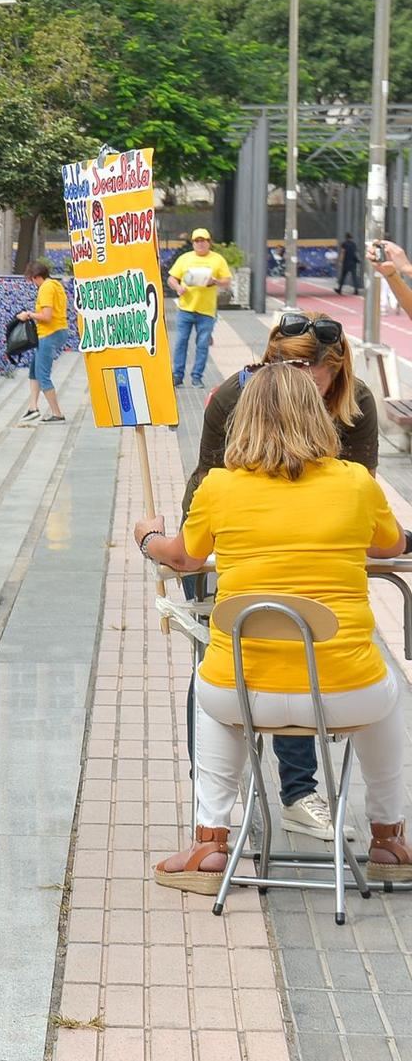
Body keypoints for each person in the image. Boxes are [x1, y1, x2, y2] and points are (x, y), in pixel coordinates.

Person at [135, 363, 412, 892]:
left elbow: (185, 559)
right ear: (318, 416)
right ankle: (388, 840)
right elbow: (392, 546)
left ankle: (210, 845)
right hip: (345, 697)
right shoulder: (355, 482)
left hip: (244, 694)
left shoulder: (218, 487)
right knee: (387, 692)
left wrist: (148, 538)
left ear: (245, 421)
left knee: (213, 696)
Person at [180, 310, 378, 843]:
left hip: (308, 550)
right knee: (225, 658)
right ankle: (214, 809)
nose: (300, 377)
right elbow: (207, 474)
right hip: (229, 542)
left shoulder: (355, 403)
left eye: (315, 368)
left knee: (297, 652)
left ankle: (297, 793)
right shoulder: (235, 395)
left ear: (337, 370)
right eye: (287, 364)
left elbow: (365, 486)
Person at [168, 230, 232, 388]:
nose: (200, 243)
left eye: (204, 240)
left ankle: (197, 376)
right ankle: (177, 375)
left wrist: (216, 281)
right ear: (193, 243)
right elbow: (171, 278)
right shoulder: (185, 258)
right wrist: (177, 287)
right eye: (197, 240)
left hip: (206, 311)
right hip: (185, 309)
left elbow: (227, 280)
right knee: (181, 342)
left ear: (209, 242)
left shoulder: (217, 260)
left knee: (202, 344)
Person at [16, 261, 70, 425]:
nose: (33, 284)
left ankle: (57, 414)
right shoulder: (56, 285)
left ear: (37, 277)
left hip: (49, 334)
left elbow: (46, 316)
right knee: (34, 370)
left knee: (43, 375)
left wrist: (29, 315)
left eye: (32, 280)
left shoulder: (46, 288)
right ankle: (33, 408)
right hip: (58, 331)